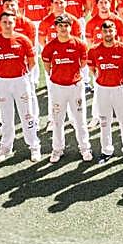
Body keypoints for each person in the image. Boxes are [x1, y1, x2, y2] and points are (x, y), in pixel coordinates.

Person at [0, 10, 40, 163]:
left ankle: (34, 145)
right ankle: (6, 147)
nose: (8, 25)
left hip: (20, 81)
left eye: (10, 22)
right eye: (4, 22)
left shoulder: (23, 40)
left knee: (27, 114)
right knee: (6, 116)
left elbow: (32, 61)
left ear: (15, 23)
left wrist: (23, 74)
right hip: (2, 82)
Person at [41, 15, 90, 163]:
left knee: (80, 119)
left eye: (66, 25)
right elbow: (47, 66)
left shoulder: (79, 44)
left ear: (70, 27)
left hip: (75, 86)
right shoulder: (50, 46)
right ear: (56, 28)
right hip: (57, 87)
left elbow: (83, 63)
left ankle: (85, 148)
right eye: (60, 25)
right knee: (57, 120)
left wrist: (72, 74)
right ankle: (57, 149)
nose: (63, 28)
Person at [87, 19, 123, 164]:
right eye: (105, 31)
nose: (108, 34)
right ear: (101, 33)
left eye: (111, 31)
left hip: (119, 89)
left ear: (115, 32)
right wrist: (101, 79)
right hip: (102, 89)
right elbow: (92, 69)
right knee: (104, 121)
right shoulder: (94, 50)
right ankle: (106, 151)